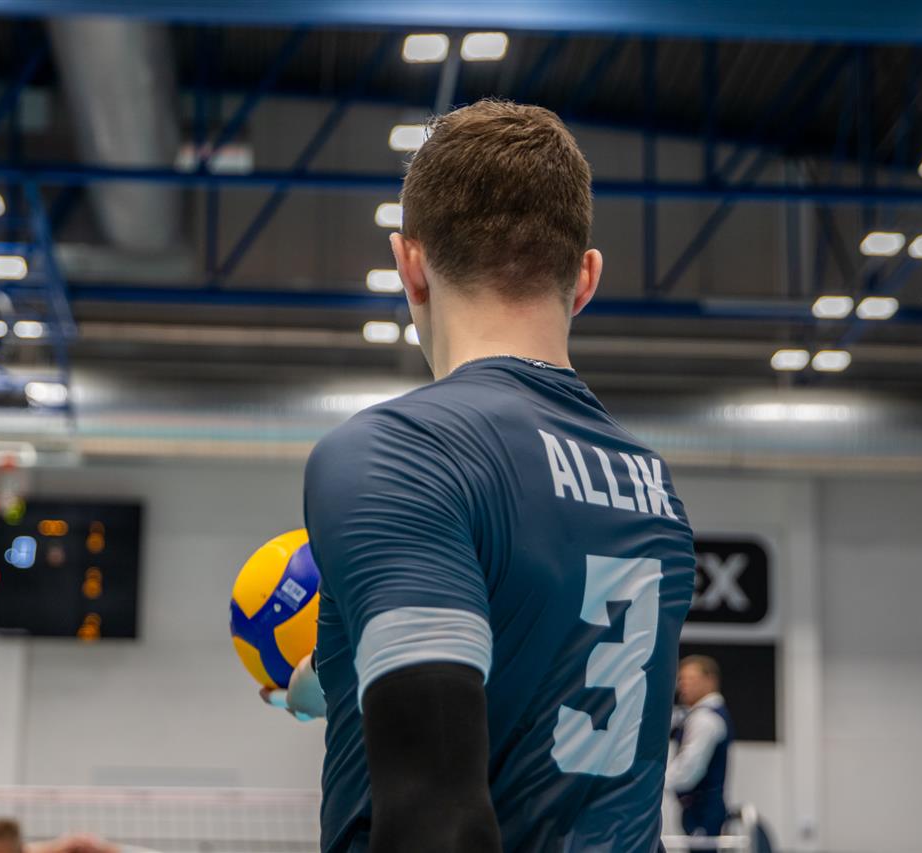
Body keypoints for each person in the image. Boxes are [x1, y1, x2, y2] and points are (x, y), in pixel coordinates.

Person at [265, 98, 697, 852]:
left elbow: (439, 817)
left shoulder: (400, 452)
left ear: (409, 263)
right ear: (586, 277)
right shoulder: (652, 488)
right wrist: (322, 679)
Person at [667, 656, 733, 839]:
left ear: (710, 681)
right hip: (696, 810)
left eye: (690, 679)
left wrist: (651, 782)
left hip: (704, 813)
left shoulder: (706, 719)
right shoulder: (692, 715)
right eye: (681, 680)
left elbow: (688, 770)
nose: (683, 685)